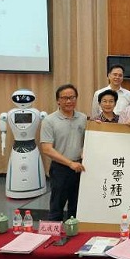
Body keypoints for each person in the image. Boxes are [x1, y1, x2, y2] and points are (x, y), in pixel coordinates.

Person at [40, 84, 87, 221]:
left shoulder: (83, 118)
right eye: (65, 98)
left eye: (72, 97)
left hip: (80, 167)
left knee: (77, 205)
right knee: (57, 205)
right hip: (60, 168)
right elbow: (47, 148)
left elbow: (87, 141)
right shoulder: (49, 120)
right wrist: (70, 163)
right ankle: (54, 231)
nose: (69, 101)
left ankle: (74, 231)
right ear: (58, 101)